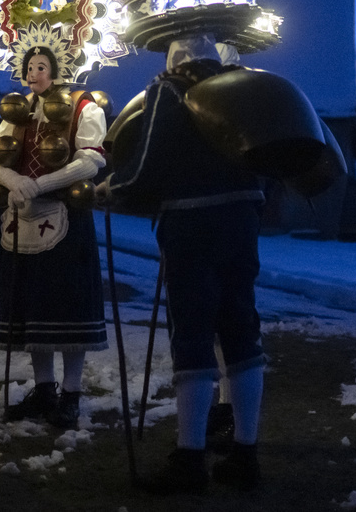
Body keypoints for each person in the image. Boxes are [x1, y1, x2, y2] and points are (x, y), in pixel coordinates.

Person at [103, 33, 266, 494]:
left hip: (191, 226)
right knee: (241, 329)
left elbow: (147, 165)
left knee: (192, 333)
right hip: (242, 218)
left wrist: (111, 190)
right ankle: (245, 454)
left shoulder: (168, 91)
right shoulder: (242, 89)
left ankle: (190, 458)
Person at [0, 44, 108, 428]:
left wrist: (40, 185)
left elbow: (91, 159)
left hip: (66, 216)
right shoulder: (16, 109)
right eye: (28, 66)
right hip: (23, 217)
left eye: (41, 66)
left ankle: (71, 394)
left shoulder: (83, 106)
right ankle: (44, 390)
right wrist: (14, 181)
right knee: (32, 309)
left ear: (57, 70)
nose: (33, 73)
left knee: (68, 308)